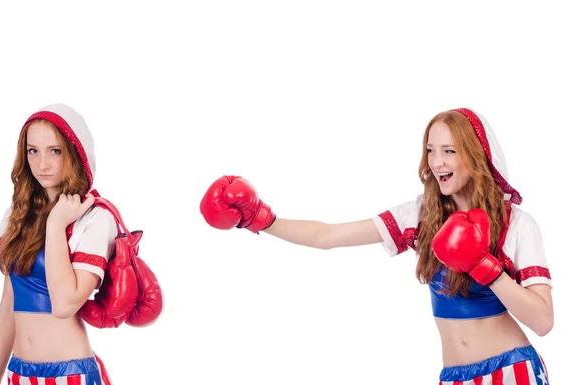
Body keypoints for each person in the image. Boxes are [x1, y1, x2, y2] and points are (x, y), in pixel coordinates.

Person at [200, 108, 553, 384]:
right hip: (454, 377)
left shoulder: (517, 224)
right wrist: (262, 219)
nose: (436, 162)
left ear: (475, 156)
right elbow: (328, 236)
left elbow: (543, 321)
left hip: (513, 371)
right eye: (431, 150)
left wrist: (484, 267)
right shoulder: (422, 215)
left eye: (449, 151)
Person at [0, 104, 115, 384]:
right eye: (33, 150)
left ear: (76, 153)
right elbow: (8, 305)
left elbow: (64, 305)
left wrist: (56, 225)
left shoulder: (94, 217)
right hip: (18, 373)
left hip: (71, 375)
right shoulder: (16, 214)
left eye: (55, 151)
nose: (42, 164)